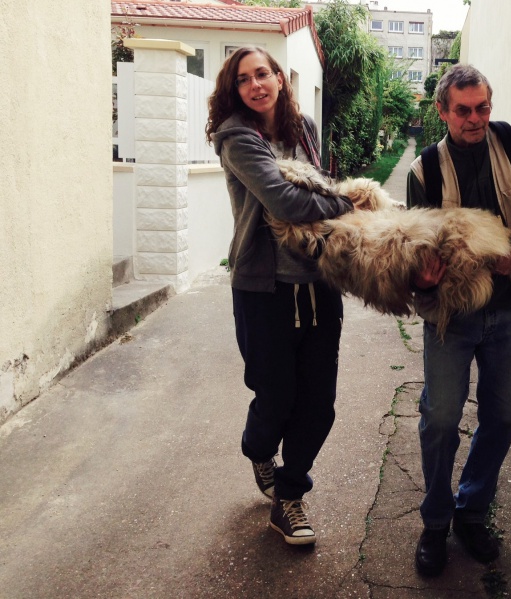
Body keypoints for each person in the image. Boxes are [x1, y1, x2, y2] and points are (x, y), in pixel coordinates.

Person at [406, 64, 511, 575]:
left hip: (507, 311)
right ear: (443, 111)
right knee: (442, 419)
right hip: (450, 319)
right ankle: (434, 523)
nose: (476, 119)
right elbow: (414, 250)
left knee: (504, 417)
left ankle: (471, 510)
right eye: (464, 110)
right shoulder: (424, 171)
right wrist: (424, 279)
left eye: (483, 107)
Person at [206, 47, 353, 546]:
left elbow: (317, 183)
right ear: (235, 91)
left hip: (319, 283)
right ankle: (258, 448)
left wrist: (331, 202)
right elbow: (285, 198)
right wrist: (344, 202)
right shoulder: (237, 139)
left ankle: (289, 496)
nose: (256, 84)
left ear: (279, 80)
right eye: (244, 79)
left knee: (320, 402)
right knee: (275, 395)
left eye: (263, 74)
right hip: (262, 288)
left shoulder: (304, 128)